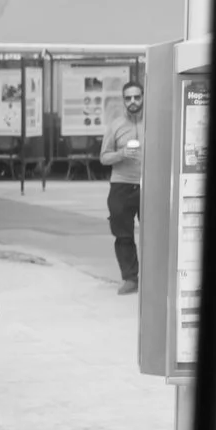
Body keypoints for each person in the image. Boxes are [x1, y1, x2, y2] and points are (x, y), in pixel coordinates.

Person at [98, 82, 146, 294]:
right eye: (128, 98)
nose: (133, 102)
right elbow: (103, 158)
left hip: (149, 184)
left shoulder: (154, 123)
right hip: (121, 185)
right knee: (123, 234)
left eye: (136, 97)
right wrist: (121, 154)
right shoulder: (115, 125)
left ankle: (156, 277)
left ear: (143, 97)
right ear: (123, 100)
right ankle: (130, 278)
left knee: (155, 233)